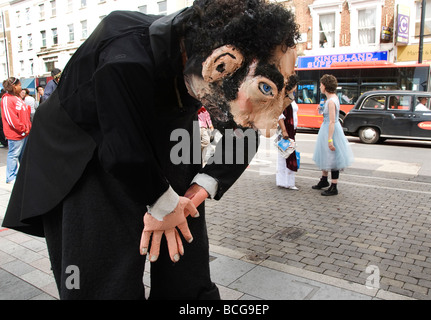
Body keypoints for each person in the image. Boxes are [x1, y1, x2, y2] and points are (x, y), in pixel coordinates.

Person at [2, 0, 299, 300]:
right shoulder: (123, 54)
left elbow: (243, 132)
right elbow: (122, 149)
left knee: (187, 261)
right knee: (100, 278)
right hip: (87, 150)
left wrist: (194, 193)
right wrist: (162, 203)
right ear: (218, 63)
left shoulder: (223, 65)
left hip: (171, 135)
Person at [312, 74, 353, 196]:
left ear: (325, 86)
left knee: (333, 157)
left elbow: (332, 121)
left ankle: (334, 186)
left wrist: (330, 139)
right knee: (326, 155)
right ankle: (324, 180)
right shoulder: (332, 99)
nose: (319, 87)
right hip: (327, 129)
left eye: (320, 84)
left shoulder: (331, 101)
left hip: (330, 130)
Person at [0, 77, 32, 184]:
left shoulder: (17, 98)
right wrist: (22, 128)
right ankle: (11, 177)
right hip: (16, 133)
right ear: (14, 86)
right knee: (14, 154)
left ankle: (22, 174)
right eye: (19, 85)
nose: (21, 87)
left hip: (24, 132)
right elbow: (11, 118)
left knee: (23, 155)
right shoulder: (7, 99)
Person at [276, 101, 298, 190]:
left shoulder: (291, 98)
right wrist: (284, 130)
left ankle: (285, 181)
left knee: (285, 154)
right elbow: (279, 115)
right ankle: (287, 182)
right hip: (286, 131)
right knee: (286, 155)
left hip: (291, 130)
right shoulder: (284, 99)